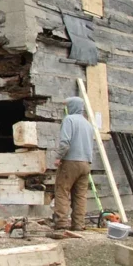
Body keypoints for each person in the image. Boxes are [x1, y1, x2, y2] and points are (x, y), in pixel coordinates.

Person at [53, 96, 94, 231]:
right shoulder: (88, 124)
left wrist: (59, 157)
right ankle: (78, 224)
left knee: (62, 191)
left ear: (71, 107)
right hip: (86, 163)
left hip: (71, 162)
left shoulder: (69, 120)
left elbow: (65, 143)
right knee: (80, 195)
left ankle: (61, 224)